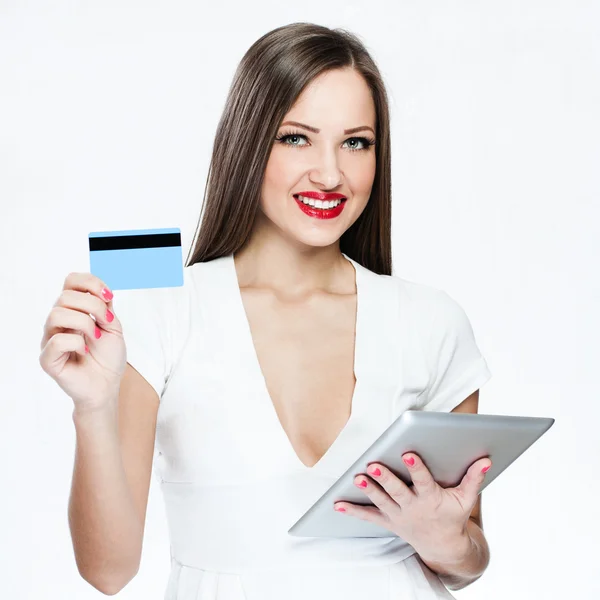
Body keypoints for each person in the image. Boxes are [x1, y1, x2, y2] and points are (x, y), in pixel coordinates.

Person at [39, 22, 493, 600]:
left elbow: (468, 561)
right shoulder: (165, 311)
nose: (330, 174)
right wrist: (92, 408)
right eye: (296, 138)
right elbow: (108, 571)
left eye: (357, 142)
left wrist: (443, 538)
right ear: (248, 142)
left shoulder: (432, 323)